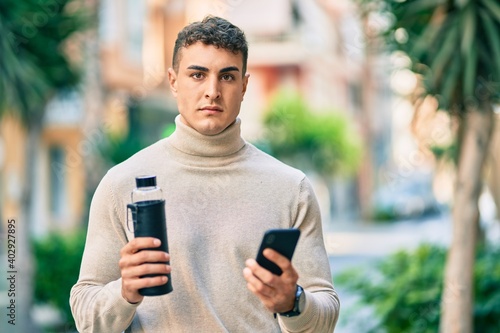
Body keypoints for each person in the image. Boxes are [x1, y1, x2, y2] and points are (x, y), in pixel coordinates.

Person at [70, 15, 340, 332]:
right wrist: (124, 292)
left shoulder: (291, 188)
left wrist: (294, 302)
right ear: (173, 81)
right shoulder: (122, 183)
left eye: (226, 77)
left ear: (244, 85)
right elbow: (87, 319)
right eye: (198, 75)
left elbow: (325, 316)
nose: (212, 91)